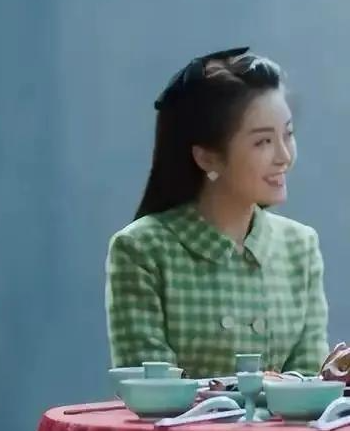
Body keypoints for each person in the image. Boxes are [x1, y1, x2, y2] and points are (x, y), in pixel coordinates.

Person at [105, 47, 329, 379]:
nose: (284, 156)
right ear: (207, 157)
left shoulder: (300, 246)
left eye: (288, 134)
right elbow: (151, 389)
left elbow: (311, 383)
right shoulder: (142, 249)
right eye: (263, 142)